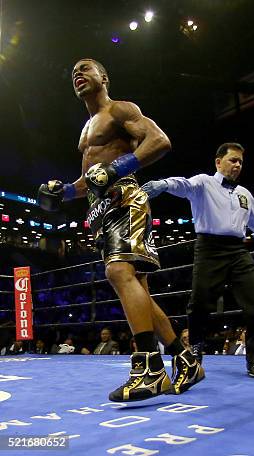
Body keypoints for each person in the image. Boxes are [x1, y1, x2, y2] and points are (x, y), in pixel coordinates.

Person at [37, 58, 203, 401]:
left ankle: (150, 368)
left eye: (85, 68)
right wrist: (65, 192)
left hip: (125, 196)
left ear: (104, 77)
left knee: (118, 271)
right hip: (101, 208)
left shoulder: (120, 110)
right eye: (73, 73)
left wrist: (117, 168)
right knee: (135, 287)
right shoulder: (86, 130)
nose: (78, 74)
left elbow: (159, 141)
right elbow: (92, 180)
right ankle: (185, 360)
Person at [142, 142, 254, 378]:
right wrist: (164, 184)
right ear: (219, 162)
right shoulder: (204, 182)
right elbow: (183, 184)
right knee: (199, 302)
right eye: (233, 160)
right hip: (208, 248)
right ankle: (195, 348)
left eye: (240, 162)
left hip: (238, 251)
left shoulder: (244, 194)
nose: (237, 165)